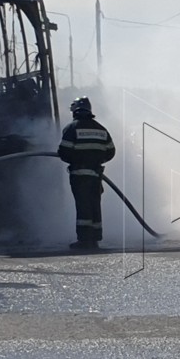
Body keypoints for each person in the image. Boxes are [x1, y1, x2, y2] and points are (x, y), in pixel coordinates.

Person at [56, 96, 116, 250]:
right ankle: (95, 239)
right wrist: (97, 160)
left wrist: (75, 160)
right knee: (95, 205)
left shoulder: (72, 128)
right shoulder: (101, 129)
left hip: (79, 174)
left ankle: (84, 240)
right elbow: (111, 151)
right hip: (96, 174)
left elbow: (63, 152)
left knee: (83, 207)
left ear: (75, 111)